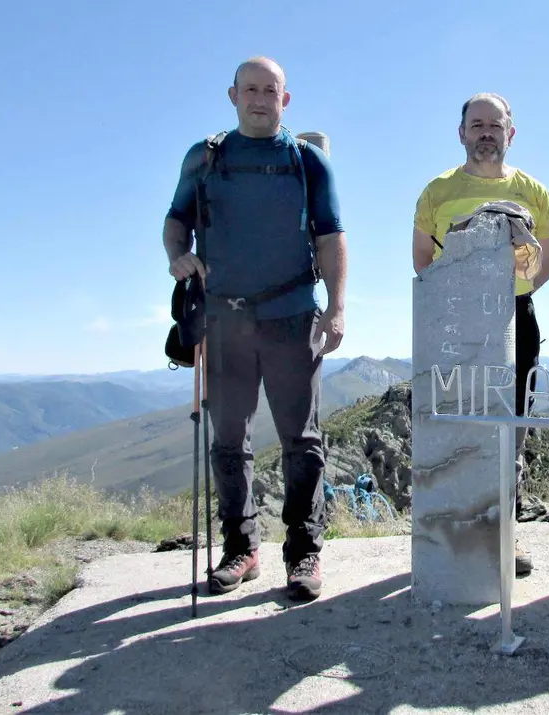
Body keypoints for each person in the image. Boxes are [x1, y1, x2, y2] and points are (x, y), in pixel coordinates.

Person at [163, 56, 348, 602]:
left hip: (292, 314)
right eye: (251, 89)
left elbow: (331, 236)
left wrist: (336, 308)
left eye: (271, 90)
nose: (261, 98)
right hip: (222, 318)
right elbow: (176, 221)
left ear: (285, 100)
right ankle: (241, 549)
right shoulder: (205, 157)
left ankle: (303, 551)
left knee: (302, 440)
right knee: (228, 439)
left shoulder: (307, 161)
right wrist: (178, 256)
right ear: (233, 95)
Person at [412, 92, 549, 576]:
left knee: (510, 427)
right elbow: (421, 261)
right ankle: (452, 529)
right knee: (458, 421)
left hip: (515, 315)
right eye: (477, 125)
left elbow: (544, 266)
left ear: (510, 133)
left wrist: (512, 273)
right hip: (453, 317)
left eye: (495, 125)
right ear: (461, 133)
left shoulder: (535, 192)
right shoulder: (436, 191)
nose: (486, 133)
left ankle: (503, 534)